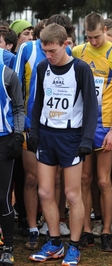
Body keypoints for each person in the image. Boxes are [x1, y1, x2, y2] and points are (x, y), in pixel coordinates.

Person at [27, 23, 97, 265]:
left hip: (71, 137)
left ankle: (74, 246)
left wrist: (87, 139)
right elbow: (38, 103)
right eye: (45, 51)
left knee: (72, 194)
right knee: (45, 191)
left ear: (66, 44)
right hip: (47, 135)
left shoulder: (80, 69)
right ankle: (54, 242)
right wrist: (33, 131)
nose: (49, 56)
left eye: (53, 51)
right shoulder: (42, 67)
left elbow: (91, 108)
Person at [13, 14, 76, 251]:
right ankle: (31, 227)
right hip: (32, 126)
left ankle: (54, 226)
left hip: (57, 128)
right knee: (31, 178)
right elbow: (16, 85)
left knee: (57, 180)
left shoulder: (68, 53)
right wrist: (24, 122)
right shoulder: (28, 49)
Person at [72, 12, 112, 251]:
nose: (93, 41)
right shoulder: (78, 52)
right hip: (82, 124)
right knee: (84, 180)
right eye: (89, 37)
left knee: (104, 181)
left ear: (105, 30)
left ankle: (106, 230)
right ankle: (87, 229)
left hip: (105, 125)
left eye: (97, 36)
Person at [0, 57, 24, 266]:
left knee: (3, 197)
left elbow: (18, 107)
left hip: (3, 142)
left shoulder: (7, 74)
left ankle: (8, 247)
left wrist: (18, 136)